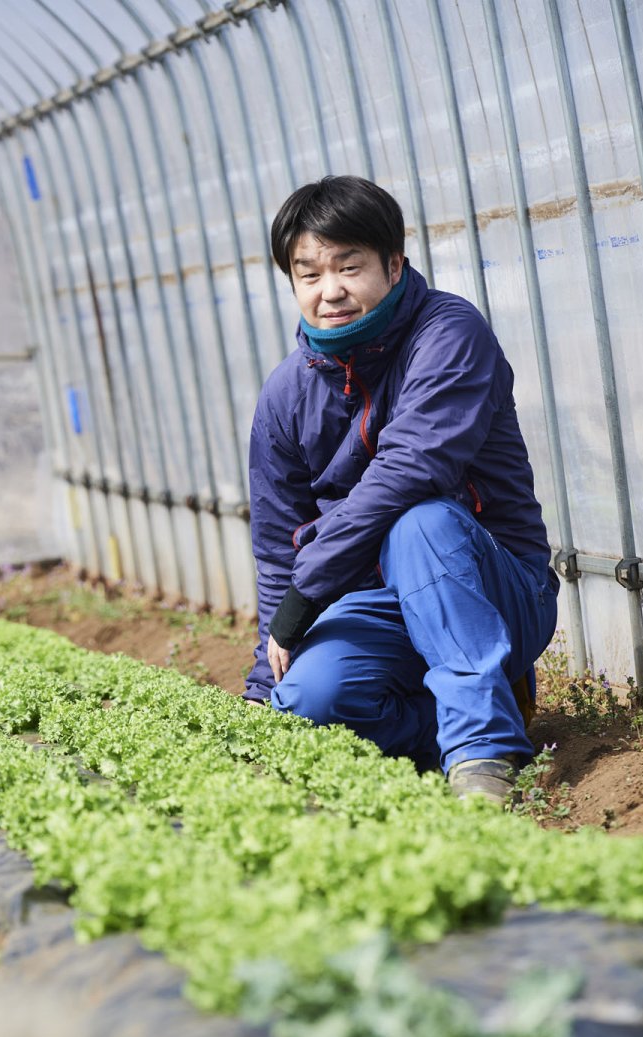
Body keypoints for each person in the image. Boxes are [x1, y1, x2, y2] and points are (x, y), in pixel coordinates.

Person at [243, 175, 559, 804]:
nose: (329, 291)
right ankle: (470, 710)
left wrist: (308, 592)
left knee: (418, 520)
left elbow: (409, 470)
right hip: (377, 602)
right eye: (308, 274)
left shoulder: (448, 334)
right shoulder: (285, 394)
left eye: (348, 267)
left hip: (490, 586)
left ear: (393, 263)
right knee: (308, 704)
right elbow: (280, 545)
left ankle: (483, 751)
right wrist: (261, 689)